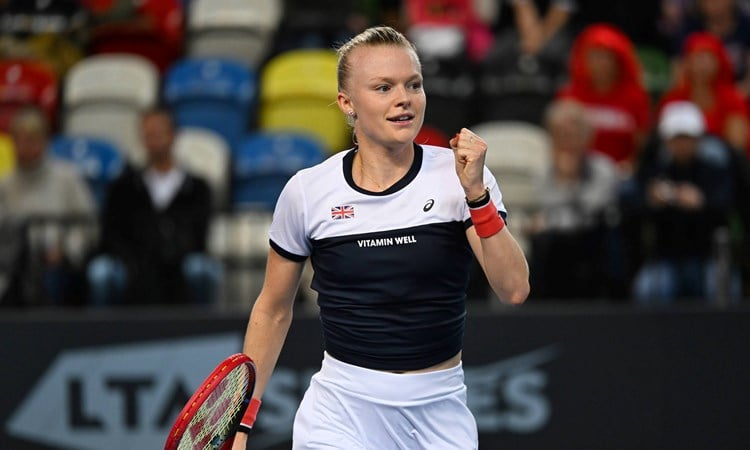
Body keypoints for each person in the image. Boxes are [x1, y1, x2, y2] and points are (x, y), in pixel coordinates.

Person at [231, 26, 529, 450]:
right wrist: (242, 423)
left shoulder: (459, 178)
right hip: (341, 412)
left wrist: (476, 195)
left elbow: (514, 289)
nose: (403, 98)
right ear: (347, 103)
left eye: (414, 84)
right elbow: (273, 310)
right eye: (383, 87)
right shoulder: (308, 191)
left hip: (438, 411)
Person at [86, 107, 221, 306]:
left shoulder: (197, 187)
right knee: (102, 271)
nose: (154, 140)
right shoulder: (124, 186)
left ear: (174, 135)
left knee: (201, 268)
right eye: (149, 134)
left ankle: (202, 330)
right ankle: (103, 333)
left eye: (160, 133)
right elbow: (112, 233)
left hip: (179, 262)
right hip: (133, 263)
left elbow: (199, 235)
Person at [621, 100, 740, 304]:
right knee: (648, 288)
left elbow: (728, 205)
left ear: (699, 139)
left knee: (723, 288)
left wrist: (702, 203)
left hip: (707, 257)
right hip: (666, 258)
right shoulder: (654, 170)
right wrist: (651, 202)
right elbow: (629, 206)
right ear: (666, 141)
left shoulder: (715, 171)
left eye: (688, 138)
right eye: (677, 138)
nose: (682, 144)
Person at [526, 99, 624, 300]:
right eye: (560, 135)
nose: (567, 142)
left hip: (593, 246)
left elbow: (590, 212)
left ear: (587, 137)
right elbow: (542, 205)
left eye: (573, 135)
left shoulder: (603, 169)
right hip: (555, 253)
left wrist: (568, 180)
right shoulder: (543, 173)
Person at [0, 105, 96, 305]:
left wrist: (67, 250)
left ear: (45, 142)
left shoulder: (67, 177)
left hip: (58, 264)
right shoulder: (5, 185)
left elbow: (88, 224)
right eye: (20, 140)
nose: (26, 146)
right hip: (13, 265)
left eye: (32, 140)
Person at [556, 23, 652, 174]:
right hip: (579, 172)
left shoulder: (635, 98)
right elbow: (559, 138)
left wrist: (631, 165)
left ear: (618, 60)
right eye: (594, 56)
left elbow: (642, 144)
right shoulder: (570, 95)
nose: (600, 63)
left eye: (606, 57)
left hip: (622, 172)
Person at [659, 31, 750, 154]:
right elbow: (664, 139)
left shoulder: (732, 99)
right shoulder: (673, 99)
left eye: (708, 58)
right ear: (687, 62)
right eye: (698, 58)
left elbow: (737, 144)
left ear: (719, 63)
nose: (702, 65)